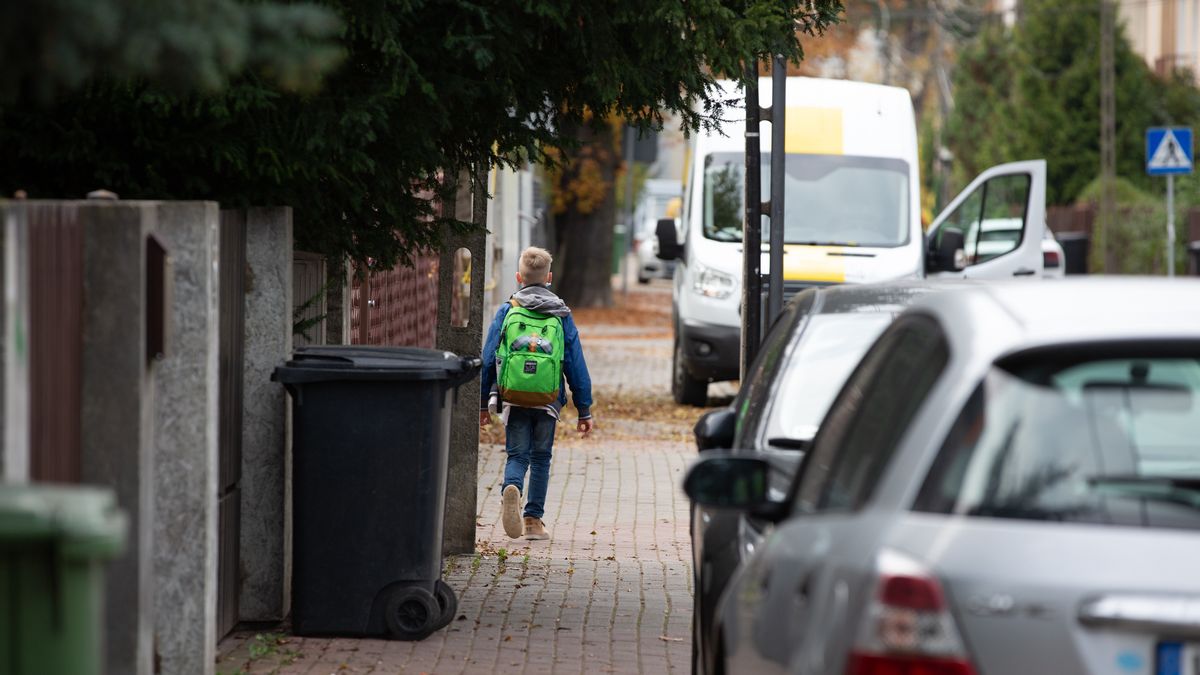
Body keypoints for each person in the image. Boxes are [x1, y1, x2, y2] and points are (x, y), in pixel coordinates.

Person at [480, 247, 594, 540]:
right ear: (549, 278)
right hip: (548, 398)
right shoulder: (560, 314)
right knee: (541, 457)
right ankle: (533, 521)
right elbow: (574, 362)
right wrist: (585, 409)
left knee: (517, 453)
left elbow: (489, 356)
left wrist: (482, 403)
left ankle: (511, 486)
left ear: (519, 277)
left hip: (514, 395)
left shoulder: (508, 310)